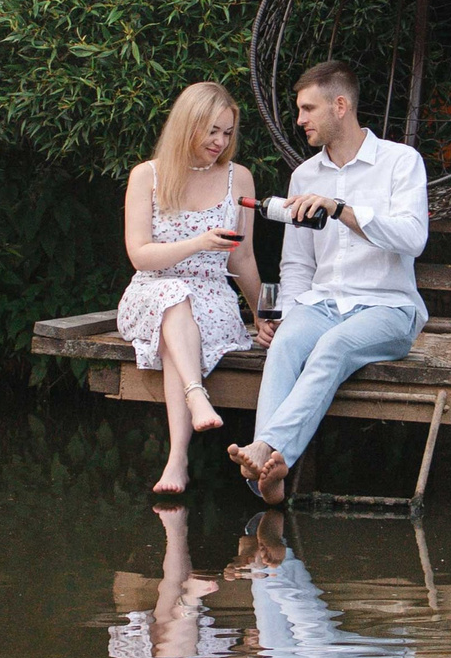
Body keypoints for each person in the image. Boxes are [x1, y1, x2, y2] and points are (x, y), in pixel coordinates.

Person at [227, 61, 428, 504]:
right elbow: (297, 263)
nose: (299, 121)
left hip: (389, 308)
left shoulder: (400, 162)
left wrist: (341, 209)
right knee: (287, 345)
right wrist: (285, 316)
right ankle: (270, 476)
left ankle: (268, 448)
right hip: (322, 304)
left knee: (332, 347)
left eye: (307, 109)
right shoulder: (304, 176)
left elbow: (414, 239)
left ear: (341, 106)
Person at [118, 81, 270, 496]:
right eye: (211, 131)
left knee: (180, 323)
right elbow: (140, 255)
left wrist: (259, 313)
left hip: (211, 296)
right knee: (173, 299)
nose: (220, 142)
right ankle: (195, 397)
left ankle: (177, 458)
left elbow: (242, 258)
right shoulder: (146, 176)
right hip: (150, 290)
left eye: (227, 132)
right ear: (187, 125)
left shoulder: (239, 178)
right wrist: (198, 243)